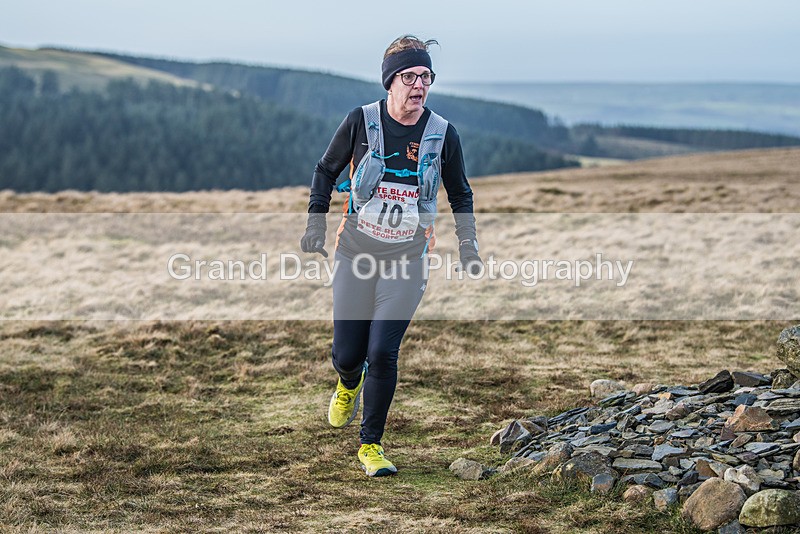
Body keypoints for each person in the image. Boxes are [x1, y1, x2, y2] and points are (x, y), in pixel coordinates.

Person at [300, 35, 481, 477]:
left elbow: (459, 192)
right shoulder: (361, 122)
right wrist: (315, 222)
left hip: (408, 257)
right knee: (348, 354)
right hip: (356, 251)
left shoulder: (442, 134)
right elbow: (325, 170)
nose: (419, 85)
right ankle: (347, 380)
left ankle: (371, 446)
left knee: (382, 352)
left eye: (426, 76)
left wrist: (468, 243)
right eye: (410, 76)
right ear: (390, 82)